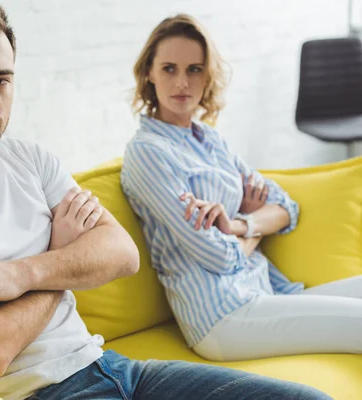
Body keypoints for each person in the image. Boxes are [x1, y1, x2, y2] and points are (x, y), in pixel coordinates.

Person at [0, 1, 331, 399]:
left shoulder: (29, 160)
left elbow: (122, 254)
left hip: (115, 369)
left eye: (1, 80)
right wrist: (61, 258)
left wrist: (20, 274)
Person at [121, 13, 362, 363]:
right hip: (224, 316)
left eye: (195, 69)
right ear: (149, 73)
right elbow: (220, 256)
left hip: (270, 292)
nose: (182, 83)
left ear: (208, 76)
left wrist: (239, 225)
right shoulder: (147, 153)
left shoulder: (211, 140)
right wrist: (254, 227)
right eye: (169, 68)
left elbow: (285, 207)